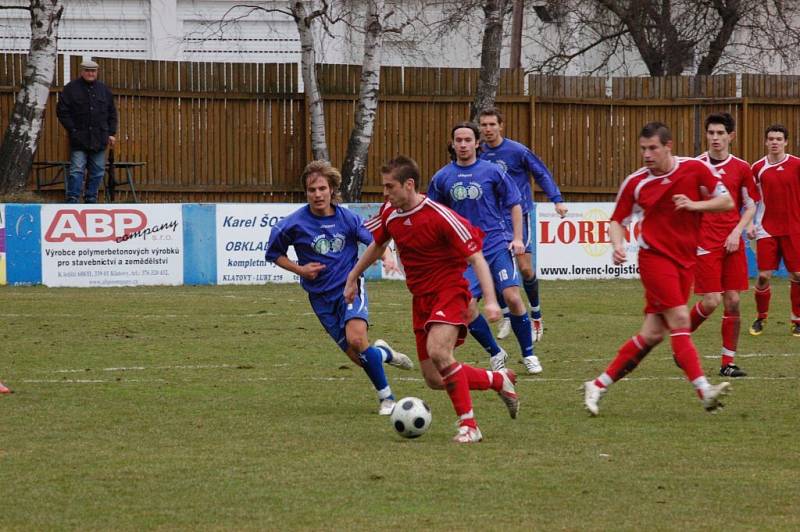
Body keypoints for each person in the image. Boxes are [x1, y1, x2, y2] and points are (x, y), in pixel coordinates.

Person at [345, 156, 519, 444]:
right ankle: (499, 380)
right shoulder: (390, 212)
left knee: (439, 351)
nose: (385, 193)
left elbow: (476, 257)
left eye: (390, 186)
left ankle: (469, 426)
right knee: (435, 379)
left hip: (450, 290)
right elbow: (377, 245)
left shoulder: (441, 216)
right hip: (421, 299)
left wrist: (490, 299)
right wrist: (352, 278)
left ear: (409, 185)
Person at [583, 121, 735, 416]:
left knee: (652, 334)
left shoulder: (695, 168)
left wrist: (694, 205)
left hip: (685, 261)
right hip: (654, 260)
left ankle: (598, 384)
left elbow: (727, 201)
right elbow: (617, 220)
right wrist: (617, 245)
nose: (647, 155)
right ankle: (704, 391)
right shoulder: (636, 182)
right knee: (680, 318)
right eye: (643, 149)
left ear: (668, 146)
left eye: (653, 148)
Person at [265, 160, 413, 416]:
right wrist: (301, 270)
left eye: (322, 188)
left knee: (357, 339)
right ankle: (384, 353)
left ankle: (387, 399)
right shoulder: (293, 224)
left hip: (350, 288)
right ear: (306, 192)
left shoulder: (348, 218)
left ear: (332, 189)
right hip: (320, 298)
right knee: (360, 357)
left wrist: (388, 256)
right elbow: (274, 254)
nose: (317, 194)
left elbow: (376, 241)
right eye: (312, 190)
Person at [427, 122, 539, 375]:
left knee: (511, 296)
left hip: (495, 245)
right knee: (467, 307)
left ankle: (529, 354)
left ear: (477, 143)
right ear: (453, 144)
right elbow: (434, 214)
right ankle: (496, 352)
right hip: (463, 254)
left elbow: (515, 203)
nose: (463, 144)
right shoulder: (442, 177)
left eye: (468, 140)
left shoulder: (492, 172)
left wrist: (518, 237)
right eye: (459, 140)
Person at [478, 107, 568, 343]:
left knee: (526, 268)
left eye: (492, 125)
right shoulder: (478, 153)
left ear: (501, 126)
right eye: (484, 125)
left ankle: (536, 315)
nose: (488, 129)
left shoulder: (517, 151)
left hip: (518, 216)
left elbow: (541, 172)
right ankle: (508, 315)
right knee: (492, 267)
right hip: (492, 219)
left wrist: (556, 200)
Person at [689, 113, 759, 377]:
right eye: (711, 133)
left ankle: (727, 363)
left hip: (732, 241)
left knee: (732, 300)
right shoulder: (695, 166)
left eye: (720, 133)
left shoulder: (742, 168)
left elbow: (751, 205)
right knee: (710, 301)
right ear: (706, 135)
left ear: (731, 136)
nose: (715, 138)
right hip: (705, 241)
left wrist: (738, 231)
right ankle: (681, 339)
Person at [749, 124, 800, 337]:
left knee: (798, 275)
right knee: (763, 276)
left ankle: (797, 320)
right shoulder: (757, 168)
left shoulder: (797, 165)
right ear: (765, 141)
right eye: (771, 138)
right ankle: (761, 317)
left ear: (786, 142)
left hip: (793, 228)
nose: (775, 142)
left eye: (779, 138)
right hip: (766, 228)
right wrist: (750, 223)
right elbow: (751, 198)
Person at [56, 59, 118, 204]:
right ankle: (72, 199)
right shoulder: (71, 89)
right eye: (88, 71)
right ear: (82, 71)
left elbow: (112, 113)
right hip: (79, 139)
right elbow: (62, 111)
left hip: (100, 138)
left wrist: (111, 133)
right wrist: (73, 129)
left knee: (98, 171)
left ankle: (91, 199)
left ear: (97, 72)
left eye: (93, 71)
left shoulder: (104, 90)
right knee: (77, 170)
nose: (91, 73)